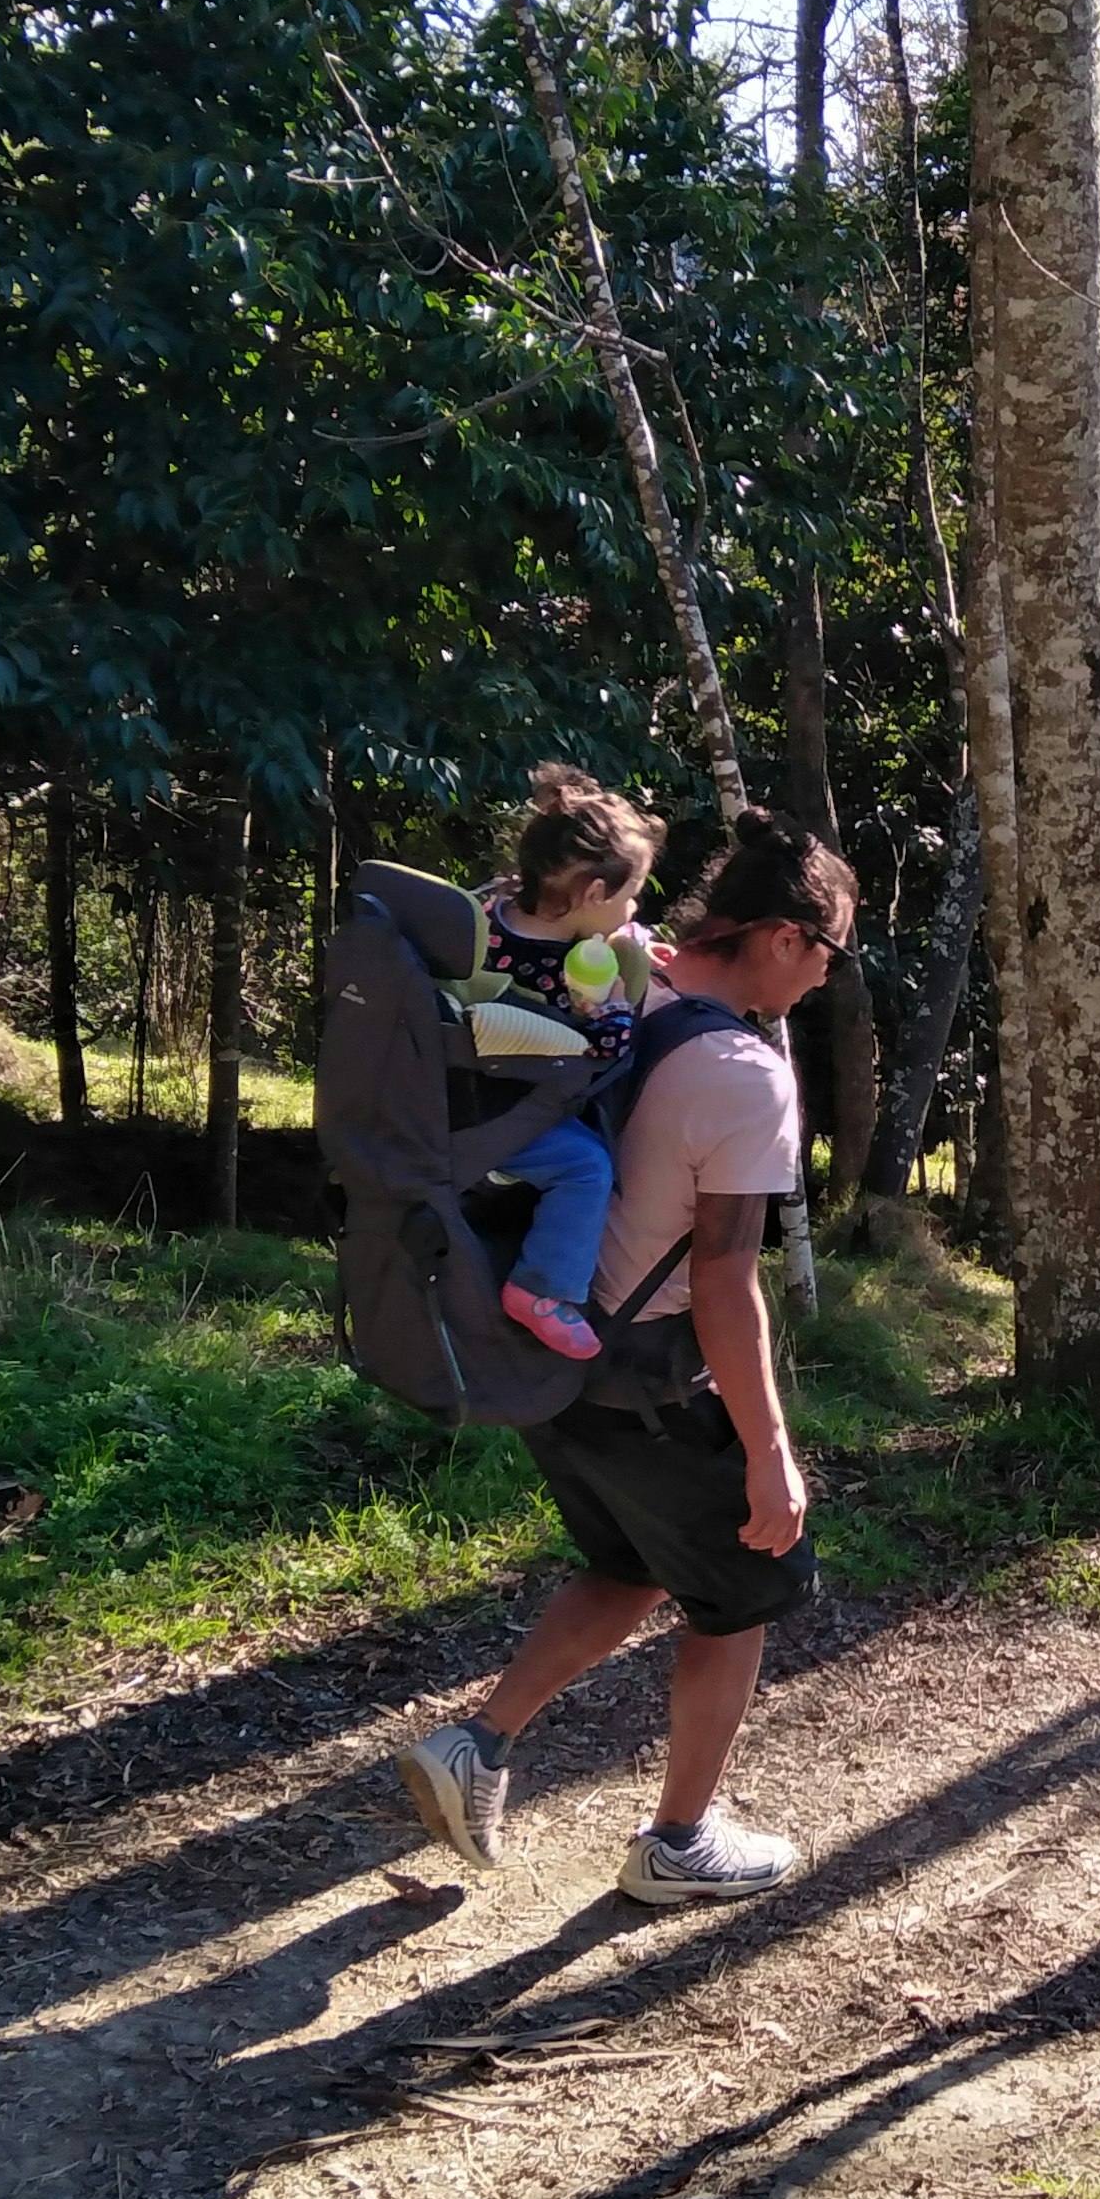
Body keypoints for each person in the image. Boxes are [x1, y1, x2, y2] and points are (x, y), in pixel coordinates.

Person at [398, 806, 853, 1903]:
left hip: (554, 1356)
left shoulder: (616, 982)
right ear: (787, 937)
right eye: (830, 954)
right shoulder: (746, 1074)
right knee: (741, 1598)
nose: (828, 982)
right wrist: (767, 1451)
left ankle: (477, 1746)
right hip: (652, 1381)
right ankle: (679, 1844)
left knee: (633, 1565)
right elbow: (723, 1280)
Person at [473, 765, 662, 1362]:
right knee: (588, 1167)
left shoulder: (486, 914)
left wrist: (640, 943)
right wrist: (611, 1011)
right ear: (594, 894)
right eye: (631, 896)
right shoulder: (569, 967)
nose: (632, 911)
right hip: (505, 1112)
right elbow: (604, 1050)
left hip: (446, 1091)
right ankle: (542, 1289)